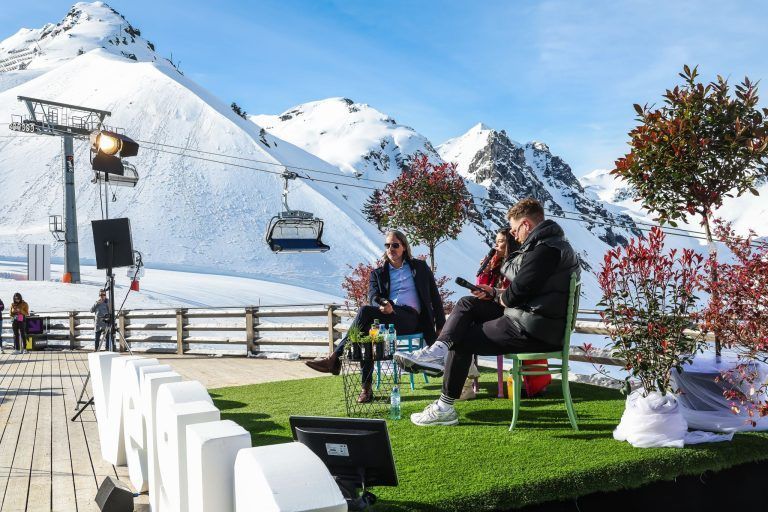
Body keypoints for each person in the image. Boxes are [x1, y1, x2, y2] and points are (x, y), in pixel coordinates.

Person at [394, 198, 580, 426]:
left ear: (526, 225)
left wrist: (499, 293)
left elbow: (516, 293)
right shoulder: (551, 245)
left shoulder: (545, 250)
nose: (514, 235)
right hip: (532, 320)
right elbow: (526, 290)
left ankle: (444, 406)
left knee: (462, 340)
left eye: (514, 230)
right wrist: (494, 291)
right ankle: (437, 351)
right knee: (467, 303)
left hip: (532, 330)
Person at [306, 229, 445, 403]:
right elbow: (372, 296)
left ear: (404, 247)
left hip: (411, 319)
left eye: (395, 245)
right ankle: (366, 389)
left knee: (364, 314)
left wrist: (441, 325)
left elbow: (435, 296)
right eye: (387, 245)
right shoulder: (378, 274)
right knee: (365, 332)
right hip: (388, 316)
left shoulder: (419, 267)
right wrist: (383, 304)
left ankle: (334, 359)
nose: (391, 249)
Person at [459, 228, 519, 400]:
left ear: (510, 243)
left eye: (500, 241)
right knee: (463, 323)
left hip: (505, 313)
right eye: (496, 240)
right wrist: (485, 271)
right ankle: (467, 382)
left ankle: (467, 381)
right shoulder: (494, 262)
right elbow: (480, 287)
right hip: (488, 310)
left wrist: (494, 291)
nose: (496, 245)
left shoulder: (516, 265)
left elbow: (514, 293)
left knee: (465, 316)